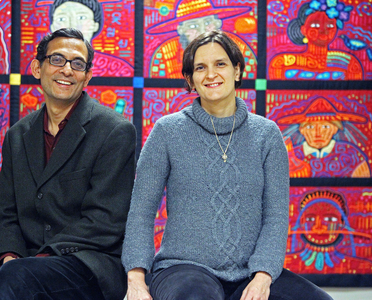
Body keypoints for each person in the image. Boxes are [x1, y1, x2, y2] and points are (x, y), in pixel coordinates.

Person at [0, 27, 136, 300]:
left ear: (87, 77)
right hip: (24, 258)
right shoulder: (17, 135)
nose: (67, 70)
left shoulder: (115, 131)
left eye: (78, 64)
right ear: (37, 67)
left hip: (84, 263)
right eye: (57, 60)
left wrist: (28, 266)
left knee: (17, 278)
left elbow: (104, 222)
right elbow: (7, 214)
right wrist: (10, 257)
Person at [122, 30, 332, 300]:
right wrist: (136, 279)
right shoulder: (167, 132)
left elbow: (276, 218)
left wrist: (263, 276)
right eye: (200, 68)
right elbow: (141, 212)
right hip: (182, 269)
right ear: (190, 80)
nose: (211, 74)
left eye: (220, 64)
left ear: (237, 71)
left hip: (250, 272)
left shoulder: (267, 135)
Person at [276, 97, 370, 178]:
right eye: (310, 127)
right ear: (302, 130)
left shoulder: (352, 155)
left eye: (325, 127)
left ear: (335, 129)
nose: (317, 133)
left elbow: (364, 191)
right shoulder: (291, 155)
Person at [268, 0, 362, 80]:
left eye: (330, 26)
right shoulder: (281, 63)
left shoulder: (348, 63)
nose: (323, 31)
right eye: (315, 25)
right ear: (303, 30)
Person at [49, 0, 133, 77]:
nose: (72, 25)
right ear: (52, 27)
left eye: (81, 18)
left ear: (95, 25)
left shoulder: (117, 68)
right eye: (62, 19)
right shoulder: (44, 66)